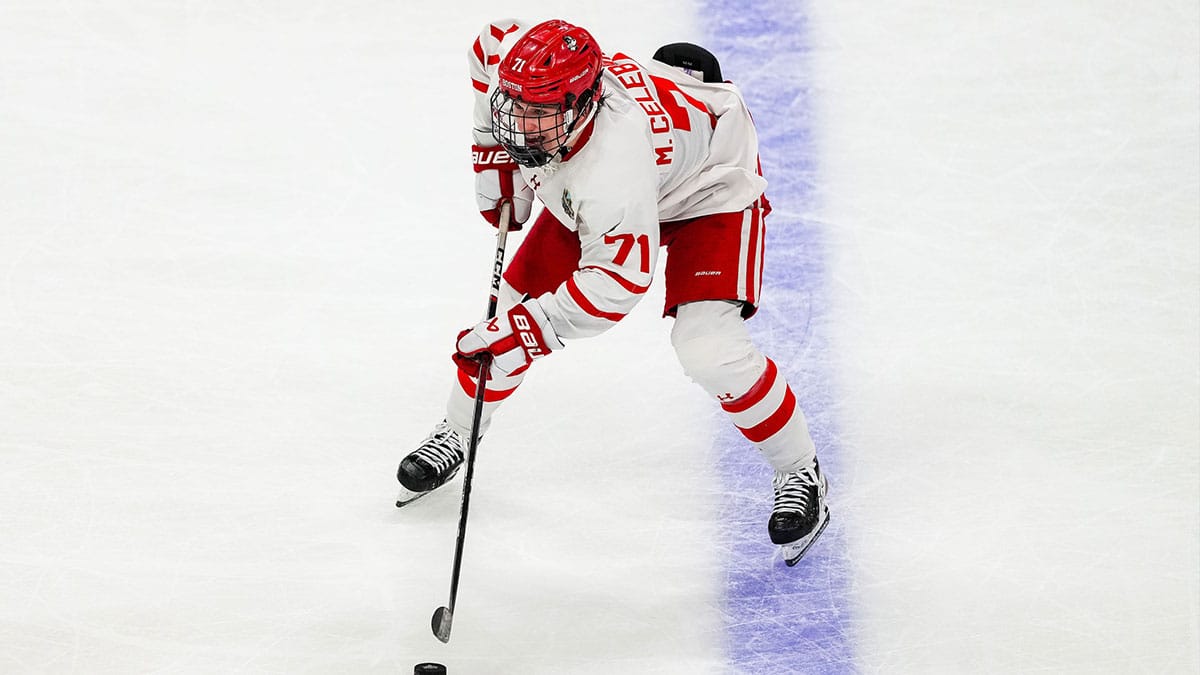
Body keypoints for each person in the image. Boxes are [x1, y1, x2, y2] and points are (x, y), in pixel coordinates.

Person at [395, 18, 829, 565]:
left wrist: (526, 335)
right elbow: (491, 43)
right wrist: (491, 155)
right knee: (509, 305)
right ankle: (458, 432)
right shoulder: (539, 96)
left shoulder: (609, 168)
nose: (519, 125)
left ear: (580, 105)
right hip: (625, 175)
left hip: (708, 186)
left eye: (538, 114)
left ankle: (798, 466)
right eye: (515, 107)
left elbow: (619, 281)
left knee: (708, 349)